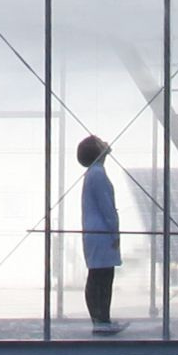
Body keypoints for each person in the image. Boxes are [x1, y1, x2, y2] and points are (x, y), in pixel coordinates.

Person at [77, 134, 126, 336]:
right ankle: (101, 320)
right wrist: (115, 233)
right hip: (102, 232)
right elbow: (107, 208)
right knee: (103, 277)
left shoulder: (93, 173)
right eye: (100, 142)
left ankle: (101, 319)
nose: (105, 143)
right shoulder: (97, 174)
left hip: (95, 232)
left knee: (98, 275)